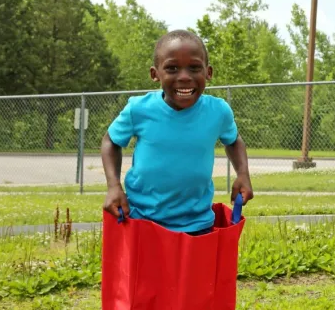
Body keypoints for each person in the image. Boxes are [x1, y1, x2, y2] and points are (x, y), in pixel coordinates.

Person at [100, 29, 253, 235]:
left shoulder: (218, 111)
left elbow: (233, 141)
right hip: (141, 219)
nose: (184, 77)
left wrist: (243, 174)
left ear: (208, 72)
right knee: (145, 269)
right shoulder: (139, 109)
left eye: (194, 68)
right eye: (172, 68)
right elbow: (111, 141)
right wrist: (113, 186)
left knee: (197, 269)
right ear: (155, 74)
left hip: (198, 223)